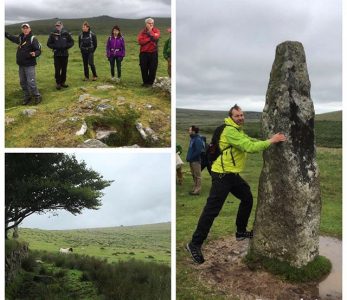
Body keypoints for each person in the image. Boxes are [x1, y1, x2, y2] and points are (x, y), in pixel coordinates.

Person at [186, 105, 286, 264]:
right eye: (237, 115)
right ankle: (194, 244)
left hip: (232, 175)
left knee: (247, 197)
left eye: (242, 115)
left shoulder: (237, 130)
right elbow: (249, 147)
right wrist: (271, 141)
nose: (241, 118)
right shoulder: (230, 131)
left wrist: (267, 140)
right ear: (231, 116)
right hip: (221, 175)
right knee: (212, 211)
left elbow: (249, 140)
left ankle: (240, 232)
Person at [5, 23, 42, 105]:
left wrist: (35, 53)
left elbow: (38, 50)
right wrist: (5, 33)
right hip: (21, 65)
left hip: (29, 64)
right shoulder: (21, 38)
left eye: (26, 28)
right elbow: (12, 38)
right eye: (23, 28)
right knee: (23, 82)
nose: (25, 29)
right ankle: (27, 96)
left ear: (30, 29)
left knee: (31, 81)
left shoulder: (33, 39)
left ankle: (37, 96)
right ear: (22, 29)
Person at [47, 21, 74, 90]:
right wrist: (55, 47)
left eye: (59, 25)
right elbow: (49, 44)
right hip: (57, 55)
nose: (58, 27)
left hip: (65, 54)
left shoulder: (66, 33)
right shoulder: (53, 34)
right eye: (56, 26)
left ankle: (63, 82)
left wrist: (66, 46)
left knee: (64, 69)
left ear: (62, 26)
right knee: (57, 69)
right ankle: (58, 83)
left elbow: (71, 42)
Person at [137, 18, 160, 86]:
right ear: (146, 24)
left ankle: (150, 83)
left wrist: (150, 31)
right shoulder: (142, 32)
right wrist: (150, 39)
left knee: (153, 68)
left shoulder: (156, 30)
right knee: (143, 68)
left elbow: (156, 37)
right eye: (149, 23)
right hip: (144, 53)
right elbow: (140, 41)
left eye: (152, 23)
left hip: (153, 53)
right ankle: (145, 83)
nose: (151, 25)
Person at [186, 126, 204, 196]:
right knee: (194, 175)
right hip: (192, 160)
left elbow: (199, 151)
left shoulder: (197, 139)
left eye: (190, 130)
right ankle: (195, 187)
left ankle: (197, 190)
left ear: (193, 131)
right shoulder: (192, 139)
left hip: (196, 160)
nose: (189, 131)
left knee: (198, 176)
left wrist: (191, 157)